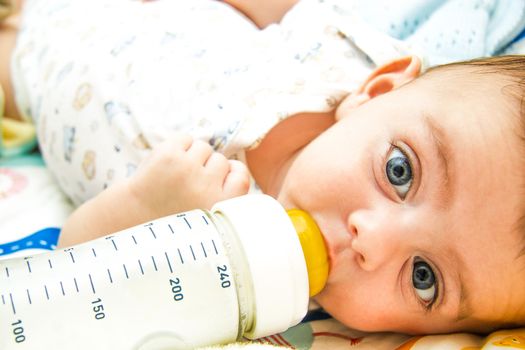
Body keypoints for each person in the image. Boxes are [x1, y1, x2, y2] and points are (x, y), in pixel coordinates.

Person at [1, 0, 525, 337]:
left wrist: (146, 208)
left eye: (424, 277)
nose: (372, 240)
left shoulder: (243, 289)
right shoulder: (335, 57)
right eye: (399, 171)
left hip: (27, 75)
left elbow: (73, 268)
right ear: (378, 91)